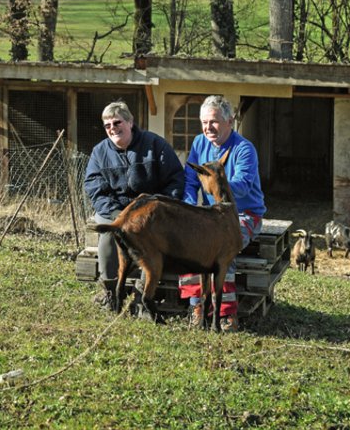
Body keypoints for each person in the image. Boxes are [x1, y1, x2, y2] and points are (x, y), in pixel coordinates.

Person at [84, 100, 185, 309]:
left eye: (117, 122)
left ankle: (143, 293)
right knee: (109, 236)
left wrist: (157, 209)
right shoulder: (99, 152)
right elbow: (94, 187)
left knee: (154, 240)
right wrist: (115, 214)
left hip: (151, 211)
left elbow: (175, 179)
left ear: (130, 122)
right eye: (107, 125)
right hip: (115, 211)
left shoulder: (156, 145)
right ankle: (110, 292)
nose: (113, 128)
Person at [180, 94, 266, 331]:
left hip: (244, 214)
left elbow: (242, 185)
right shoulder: (199, 143)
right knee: (189, 242)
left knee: (221, 248)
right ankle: (197, 306)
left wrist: (218, 184)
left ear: (230, 121)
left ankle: (227, 315)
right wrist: (189, 205)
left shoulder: (244, 149)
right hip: (210, 215)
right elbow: (190, 180)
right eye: (205, 122)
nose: (209, 127)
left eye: (215, 122)